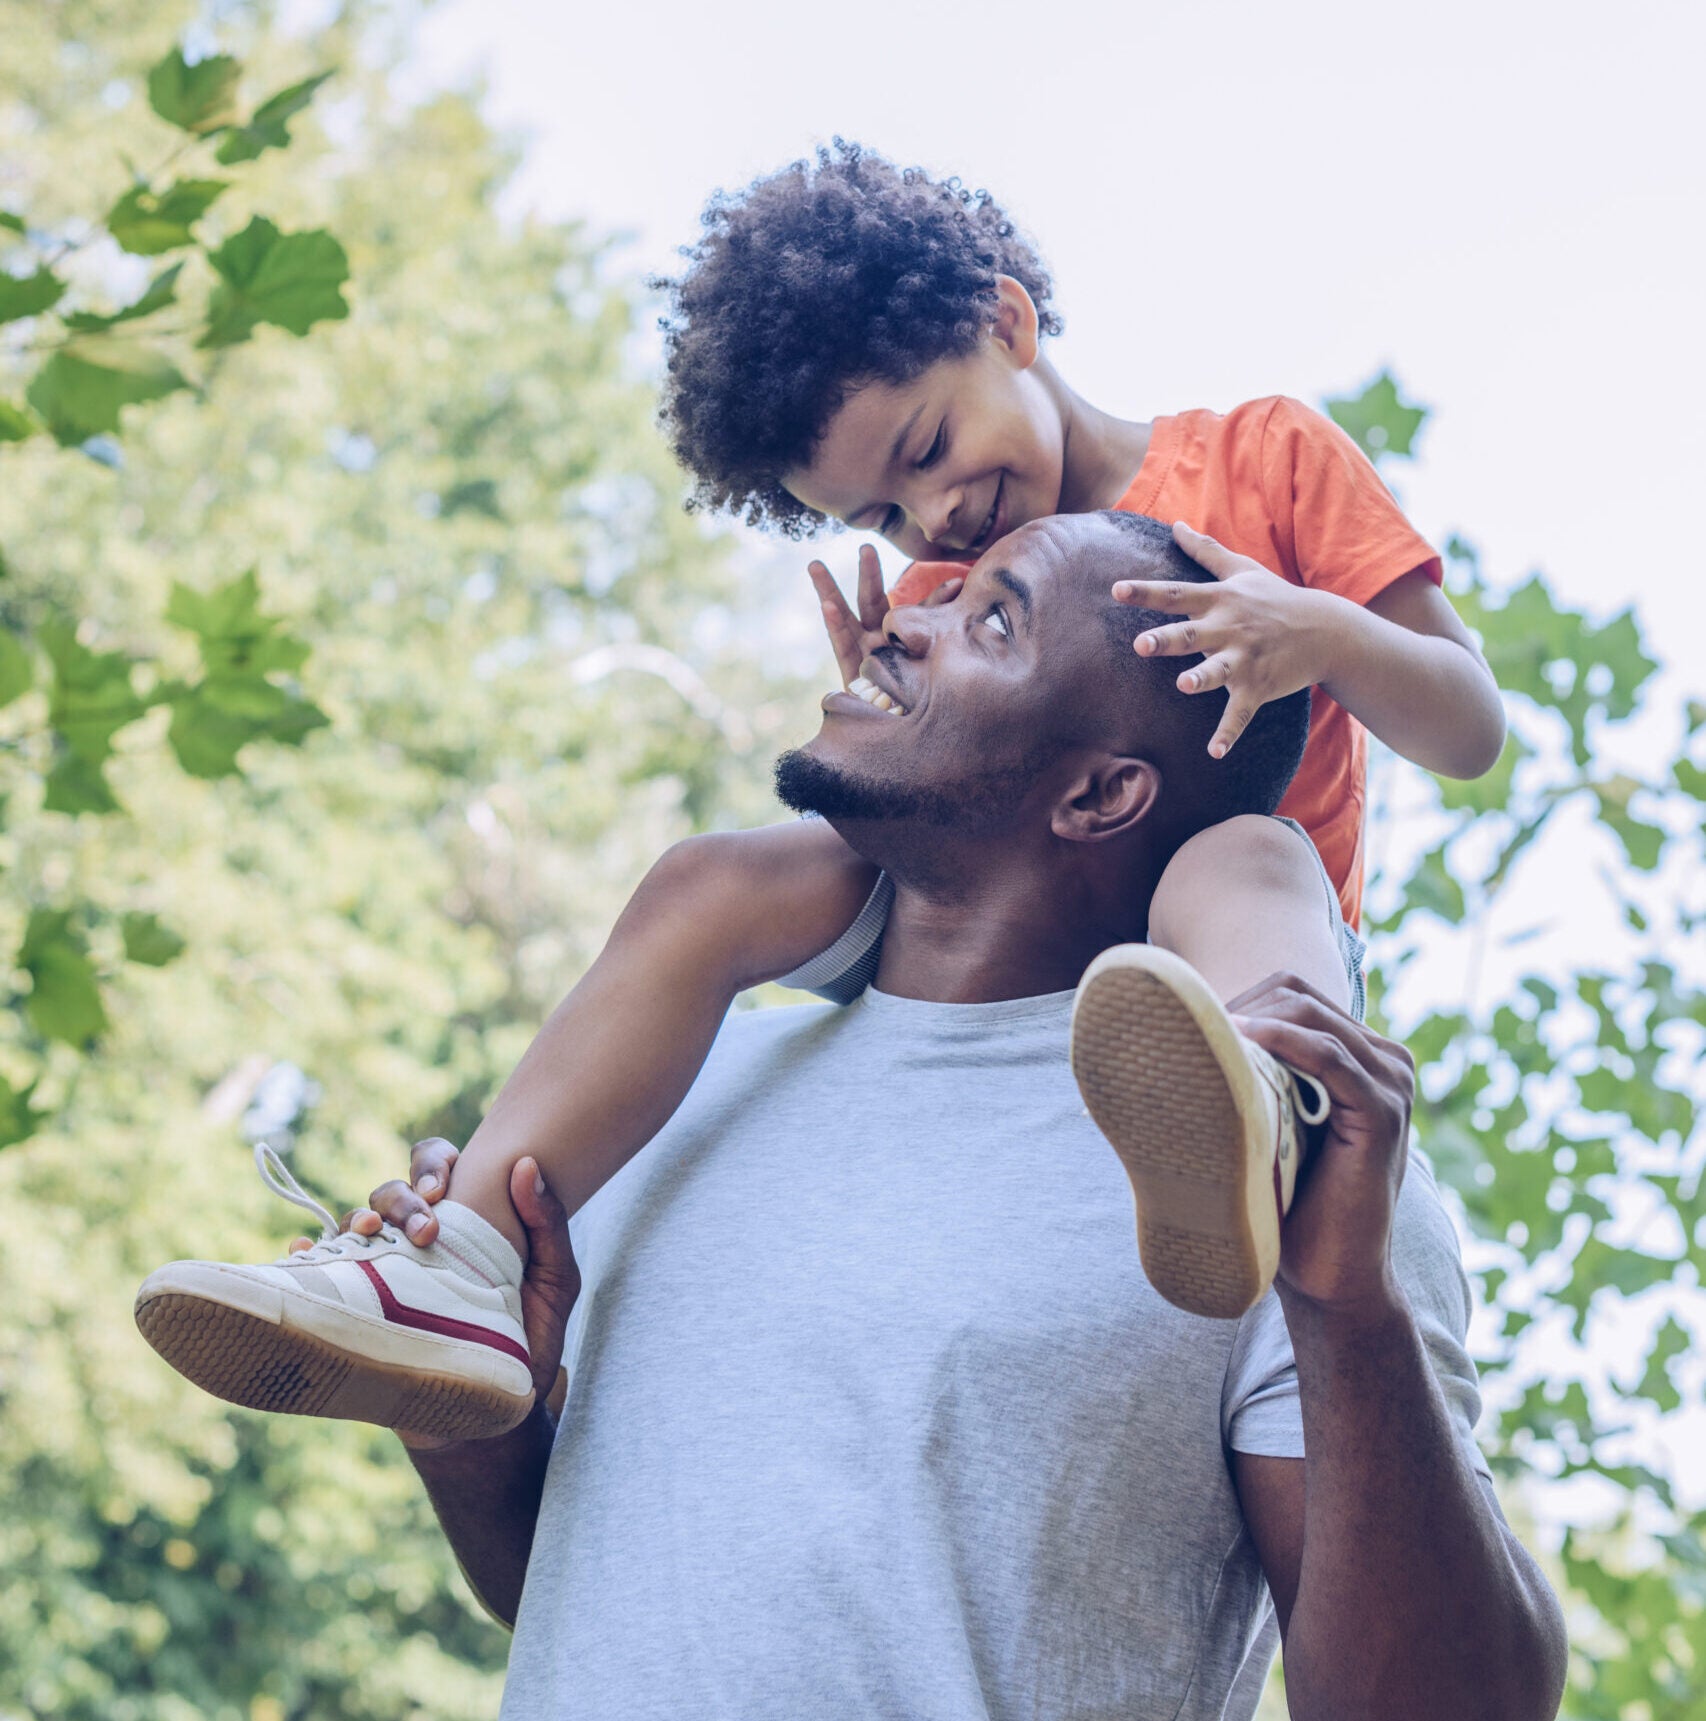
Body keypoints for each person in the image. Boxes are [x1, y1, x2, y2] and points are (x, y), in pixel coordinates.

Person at [136, 143, 1509, 1435]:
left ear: (1010, 322)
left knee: (1248, 853)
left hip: (1216, 941)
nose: (933, 528)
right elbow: (909, 856)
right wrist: (885, 719)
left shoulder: (1258, 457)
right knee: (715, 876)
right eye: (881, 520)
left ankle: (1260, 1115)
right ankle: (468, 1265)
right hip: (1014, 930)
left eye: (922, 452)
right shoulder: (930, 587)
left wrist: (1318, 635)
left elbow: (1463, 726)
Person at [368, 513, 1562, 1719]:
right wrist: (466, 1424)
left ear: (1099, 792)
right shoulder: (677, 1089)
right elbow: (586, 1597)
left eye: (991, 614)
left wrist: (1348, 1310)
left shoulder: (1280, 1164)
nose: (900, 622)